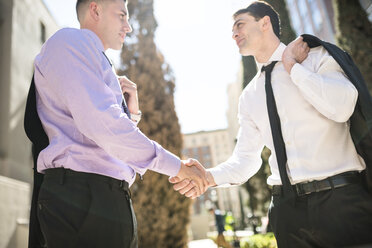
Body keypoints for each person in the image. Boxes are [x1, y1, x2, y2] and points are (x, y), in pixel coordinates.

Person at [170, 1, 372, 247]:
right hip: (289, 215)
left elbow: (342, 108)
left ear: (265, 22)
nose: (234, 33)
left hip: (342, 202)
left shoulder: (317, 57)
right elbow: (246, 160)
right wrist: (208, 176)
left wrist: (292, 67)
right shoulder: (249, 96)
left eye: (240, 24)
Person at [26, 0, 207, 247]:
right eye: (122, 15)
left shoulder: (96, 60)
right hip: (84, 198)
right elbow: (104, 126)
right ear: (95, 9)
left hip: (106, 197)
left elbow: (100, 133)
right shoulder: (70, 42)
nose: (128, 27)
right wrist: (177, 167)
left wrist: (131, 115)